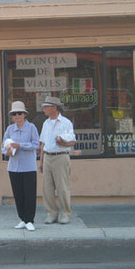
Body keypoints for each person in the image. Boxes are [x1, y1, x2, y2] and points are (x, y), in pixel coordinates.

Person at [1, 101, 39, 231]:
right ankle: (22, 218)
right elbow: (3, 146)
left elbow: (36, 145)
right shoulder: (10, 129)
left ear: (24, 114)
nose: (17, 116)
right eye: (14, 114)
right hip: (14, 167)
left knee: (29, 194)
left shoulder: (31, 127)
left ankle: (30, 220)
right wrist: (8, 151)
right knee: (18, 194)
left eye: (19, 113)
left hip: (28, 167)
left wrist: (20, 145)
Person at [39, 96, 76, 225]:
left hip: (61, 156)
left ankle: (65, 213)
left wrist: (62, 142)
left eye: (46, 107)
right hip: (48, 156)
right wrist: (41, 161)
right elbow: (43, 143)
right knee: (47, 188)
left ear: (54, 108)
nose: (44, 109)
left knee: (62, 187)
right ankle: (51, 213)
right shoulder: (46, 123)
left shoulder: (66, 123)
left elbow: (72, 142)